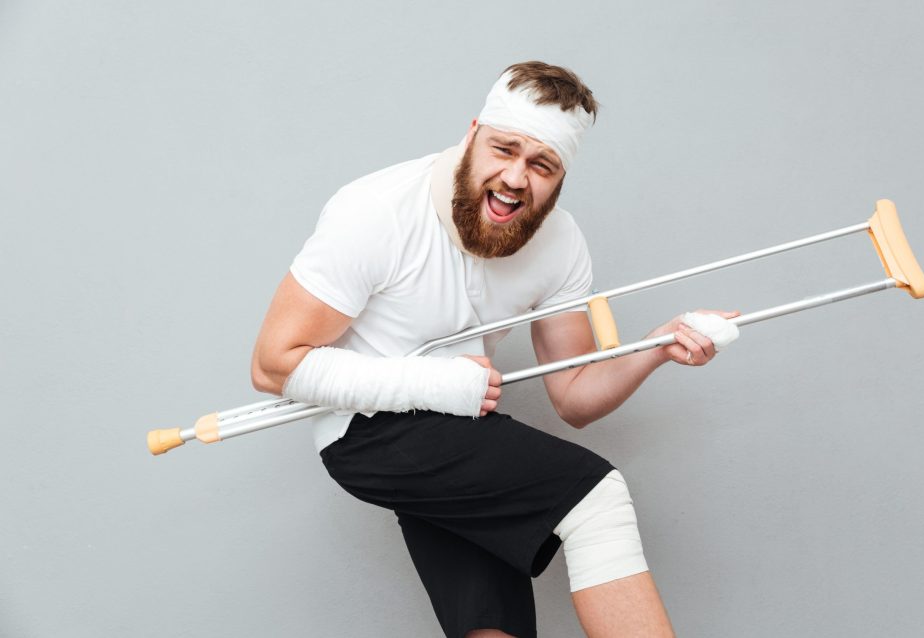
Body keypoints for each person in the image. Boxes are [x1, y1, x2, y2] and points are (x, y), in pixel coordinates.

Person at [250, 61, 738, 638]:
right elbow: (272, 364)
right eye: (503, 149)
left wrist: (655, 349)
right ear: (473, 133)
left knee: (491, 624)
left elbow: (575, 398)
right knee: (597, 502)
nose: (514, 177)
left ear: (560, 178)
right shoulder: (376, 211)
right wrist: (437, 384)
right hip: (367, 432)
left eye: (541, 165)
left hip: (459, 422)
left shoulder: (560, 245)